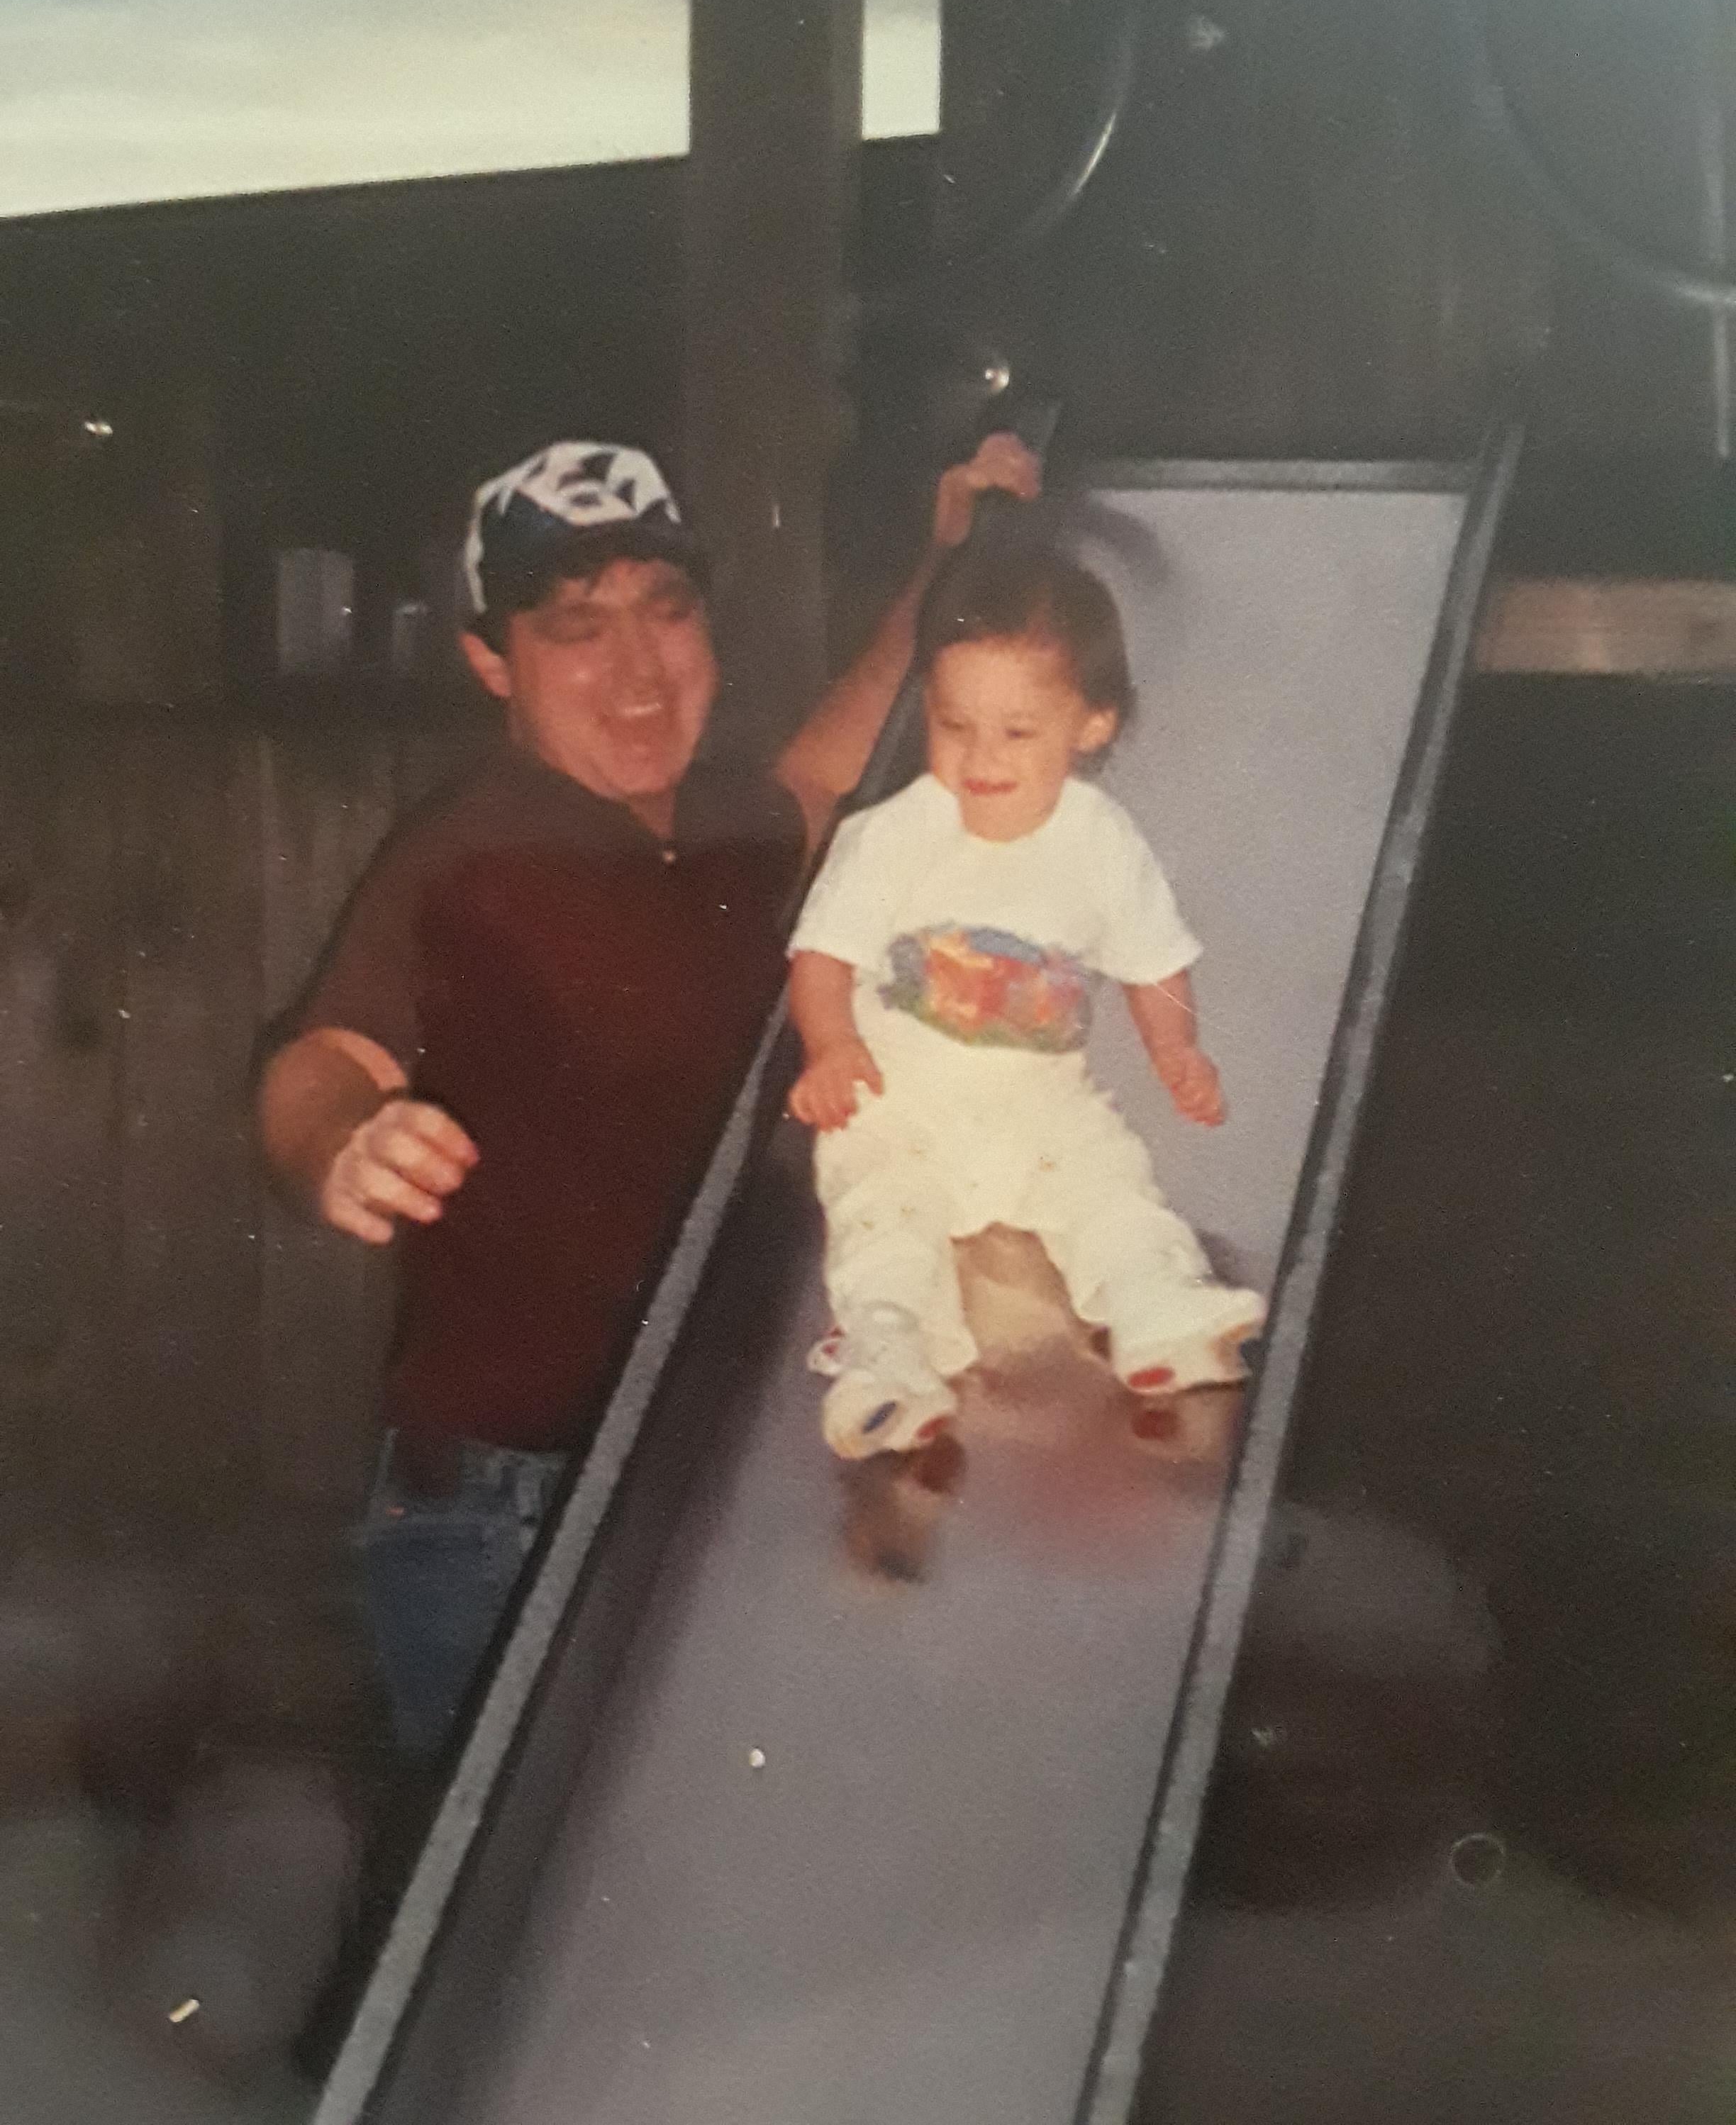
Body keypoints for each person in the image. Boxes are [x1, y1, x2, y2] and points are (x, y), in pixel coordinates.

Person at [257, 432, 1039, 1756]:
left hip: (711, 1485)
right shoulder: (468, 855)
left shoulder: (726, 824)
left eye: (665, 613)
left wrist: (942, 565)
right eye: (575, 629)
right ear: (491, 663)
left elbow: (825, 768)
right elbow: (320, 1056)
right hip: (507, 1515)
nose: (636, 669)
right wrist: (339, 1138)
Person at [786, 542, 1266, 1460]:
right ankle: (887, 1354)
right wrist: (831, 1046)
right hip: (898, 1110)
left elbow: (1153, 960)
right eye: (954, 725)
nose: (979, 758)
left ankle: (1154, 1305)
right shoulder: (890, 837)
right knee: (885, 1225)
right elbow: (822, 956)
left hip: (1041, 1112)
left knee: (1112, 1186)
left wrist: (1176, 1049)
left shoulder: (1102, 840)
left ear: (1089, 725)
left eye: (1016, 732)